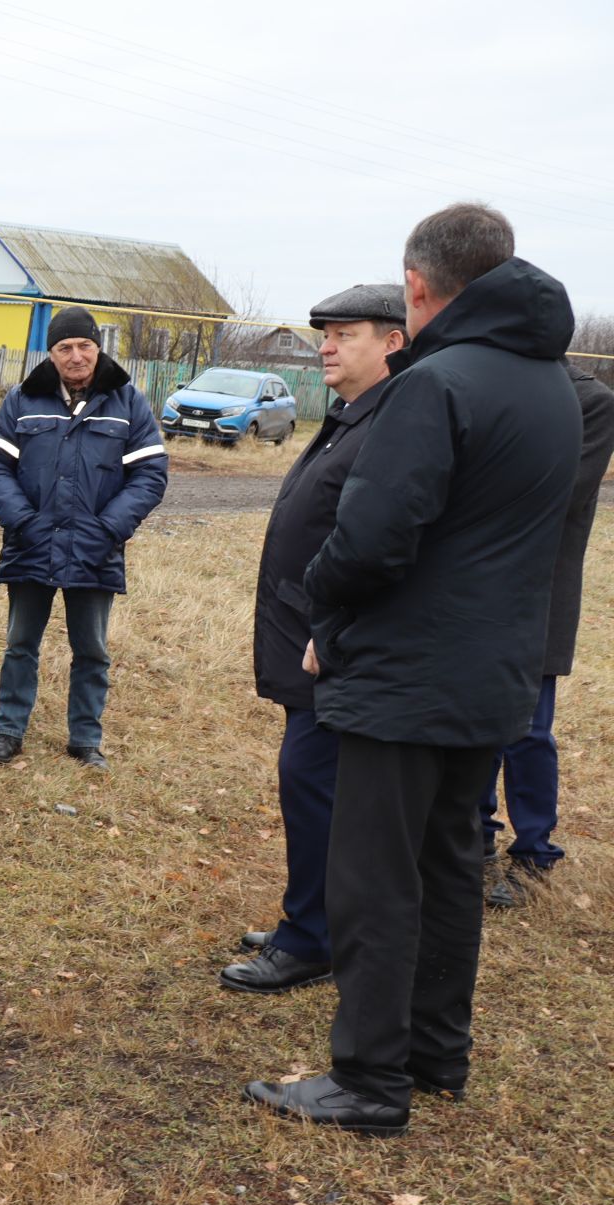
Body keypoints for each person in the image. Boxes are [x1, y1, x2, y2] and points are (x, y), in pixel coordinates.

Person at [244, 204, 581, 1135]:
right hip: (493, 677)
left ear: (419, 289)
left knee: (374, 880)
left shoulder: (433, 386)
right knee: (445, 870)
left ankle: (367, 1079)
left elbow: (373, 536)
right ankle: (436, 1055)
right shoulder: (554, 385)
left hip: (403, 681)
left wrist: (327, 610)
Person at [222, 284, 408, 996]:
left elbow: (377, 545)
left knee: (315, 786)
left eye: (344, 333)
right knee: (312, 786)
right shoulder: (353, 414)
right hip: (311, 638)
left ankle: (313, 940)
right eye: (324, 333)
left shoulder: (391, 423)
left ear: (393, 340)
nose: (325, 346)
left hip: (337, 649)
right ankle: (311, 919)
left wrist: (331, 631)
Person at [0, 307, 168, 770]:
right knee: (21, 642)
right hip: (32, 542)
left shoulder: (127, 401)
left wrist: (107, 529)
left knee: (93, 650)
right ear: (52, 352)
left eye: (84, 346)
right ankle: (9, 730)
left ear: (98, 348)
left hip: (95, 548)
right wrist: (23, 521)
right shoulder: (22, 399)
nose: (76, 356)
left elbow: (150, 474)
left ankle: (85, 739)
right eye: (65, 347)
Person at [480, 369, 614, 908]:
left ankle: (534, 854)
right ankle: (476, 839)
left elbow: (563, 493)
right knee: (472, 724)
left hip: (540, 595)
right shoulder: (492, 383)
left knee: (528, 730)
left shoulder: (591, 401)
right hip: (474, 590)